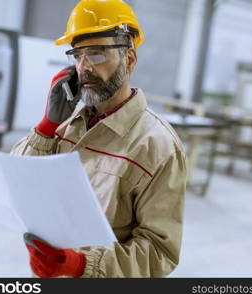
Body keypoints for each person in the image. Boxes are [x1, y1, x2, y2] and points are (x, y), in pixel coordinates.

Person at [11, 0, 187, 278]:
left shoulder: (157, 146)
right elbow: (18, 181)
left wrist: (81, 266)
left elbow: (159, 253)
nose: (84, 68)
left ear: (129, 59)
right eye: (77, 55)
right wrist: (47, 127)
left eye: (96, 54)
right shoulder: (68, 124)